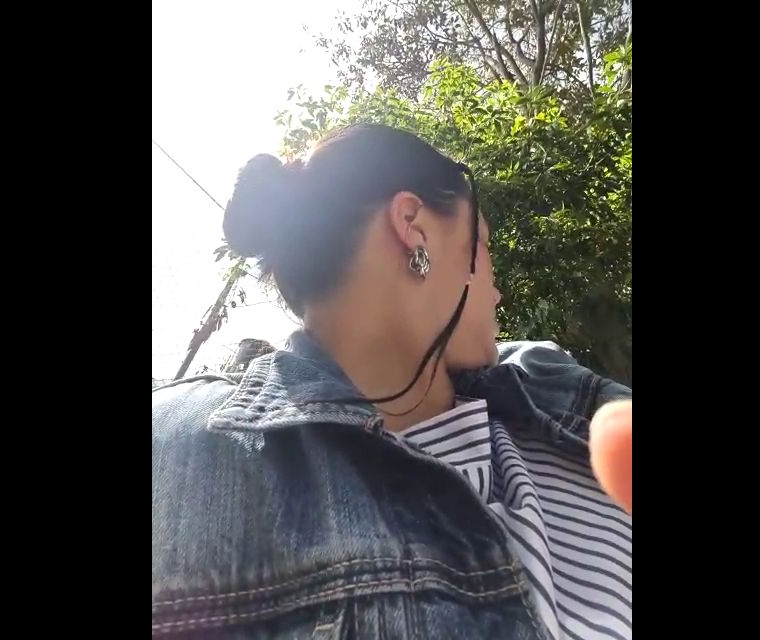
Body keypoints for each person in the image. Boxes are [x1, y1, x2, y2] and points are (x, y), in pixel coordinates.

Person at [152, 123, 631, 639]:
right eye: (483, 243)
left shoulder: (543, 375)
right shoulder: (184, 448)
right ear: (413, 226)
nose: (498, 290)